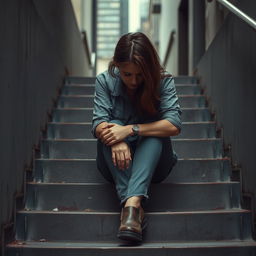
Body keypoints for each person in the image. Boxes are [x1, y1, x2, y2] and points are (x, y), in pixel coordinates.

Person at [91, 32, 181, 243]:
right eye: (127, 74)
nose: (133, 81)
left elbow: (174, 124)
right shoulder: (104, 81)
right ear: (117, 66)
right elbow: (98, 124)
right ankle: (134, 207)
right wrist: (117, 138)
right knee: (110, 131)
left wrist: (131, 130)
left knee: (154, 134)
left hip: (155, 165)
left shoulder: (163, 80)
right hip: (113, 164)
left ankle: (130, 206)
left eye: (140, 75)